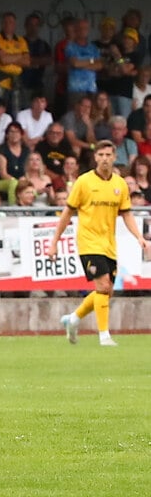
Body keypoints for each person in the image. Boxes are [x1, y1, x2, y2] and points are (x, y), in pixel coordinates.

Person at [47, 140, 148, 346]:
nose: (104, 159)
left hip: (109, 244)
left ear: (114, 157)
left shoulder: (119, 184)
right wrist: (54, 242)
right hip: (88, 242)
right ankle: (104, 336)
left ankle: (73, 319)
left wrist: (139, 236)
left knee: (107, 290)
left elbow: (126, 213)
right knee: (102, 286)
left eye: (108, 155)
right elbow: (67, 212)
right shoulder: (83, 182)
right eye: (100, 155)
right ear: (95, 157)